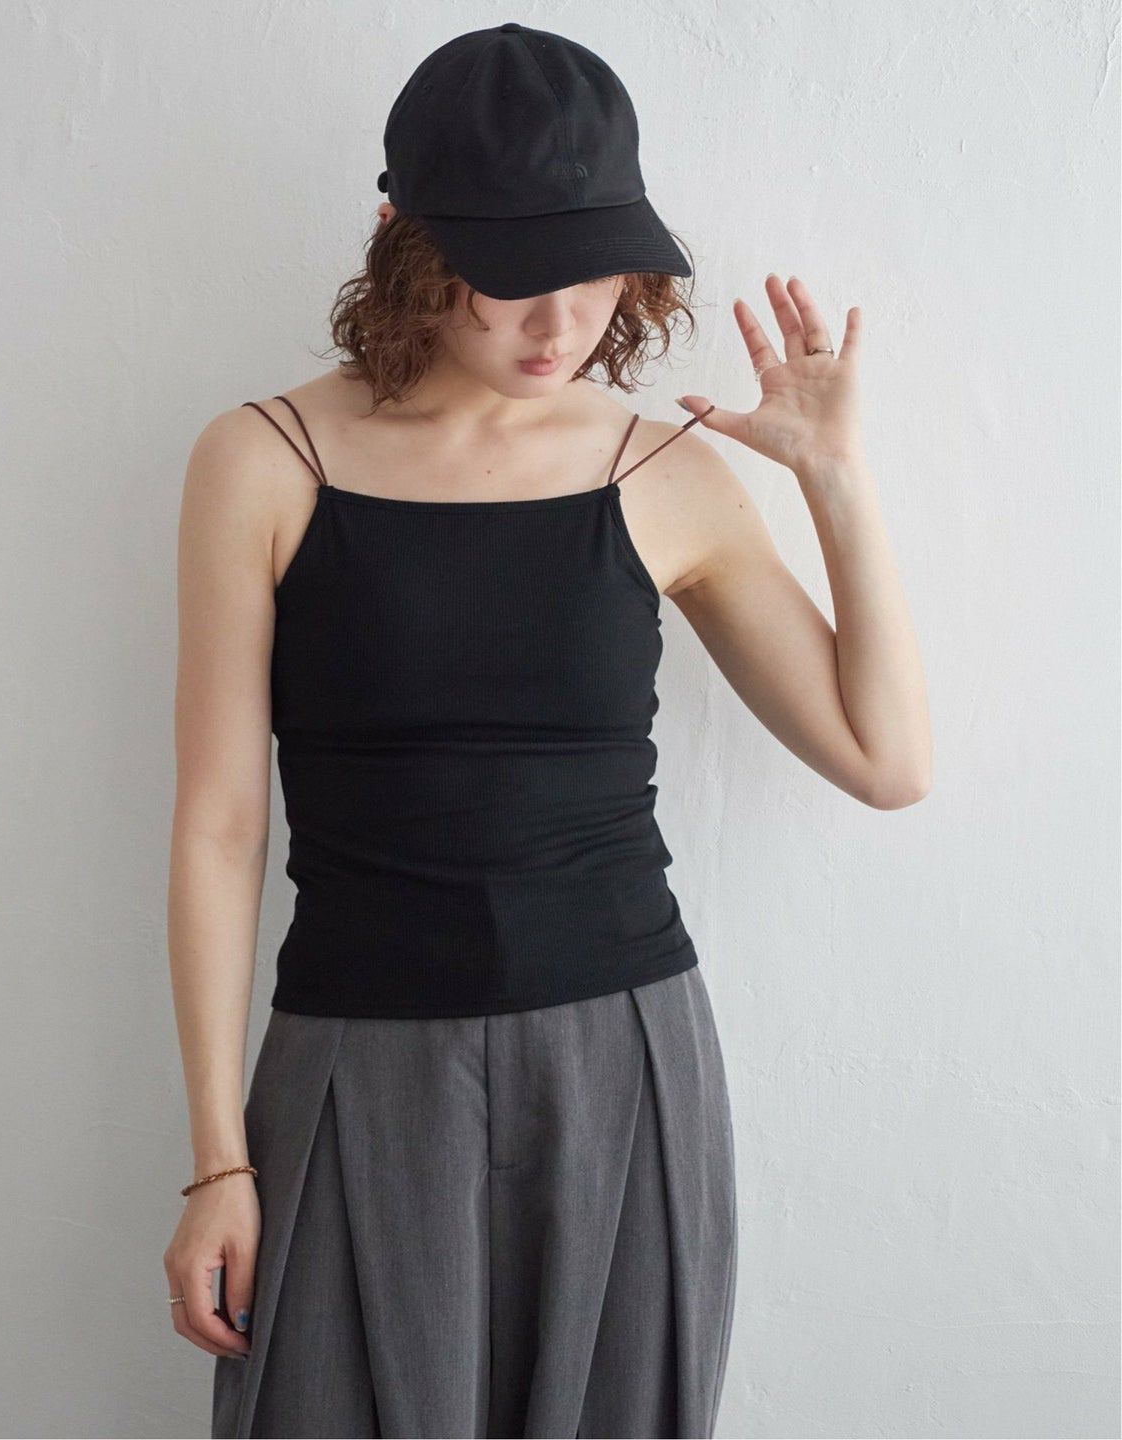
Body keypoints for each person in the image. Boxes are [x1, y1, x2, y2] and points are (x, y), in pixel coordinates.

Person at [164, 22, 931, 1440]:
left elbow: (885, 761)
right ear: (402, 243)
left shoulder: (662, 470)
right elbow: (219, 826)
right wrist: (219, 1160)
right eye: (513, 273)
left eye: (593, 269)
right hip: (357, 1059)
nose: (560, 322)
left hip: (621, 1056)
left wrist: (834, 477)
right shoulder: (264, 460)